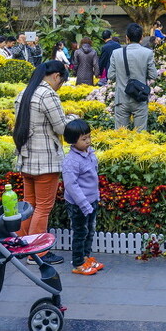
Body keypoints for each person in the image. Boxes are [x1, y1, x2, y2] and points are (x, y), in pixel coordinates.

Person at [13, 60, 69, 265]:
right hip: (45, 160)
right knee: (43, 207)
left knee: (30, 205)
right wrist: (73, 119)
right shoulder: (47, 94)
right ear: (56, 76)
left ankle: (21, 246)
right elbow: (62, 127)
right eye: (61, 82)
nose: (59, 86)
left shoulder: (24, 93)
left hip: (27, 159)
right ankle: (38, 253)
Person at [61, 118, 103, 275]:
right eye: (83, 139)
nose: (88, 141)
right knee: (80, 232)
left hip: (92, 200)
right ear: (72, 141)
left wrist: (95, 198)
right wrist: (84, 204)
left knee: (90, 231)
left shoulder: (90, 154)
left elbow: (93, 178)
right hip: (78, 204)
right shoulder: (71, 161)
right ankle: (78, 263)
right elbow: (71, 186)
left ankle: (86, 257)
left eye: (89, 137)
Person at [109, 23, 159, 131]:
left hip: (121, 98)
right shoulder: (148, 53)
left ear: (127, 38)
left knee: (120, 136)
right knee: (140, 136)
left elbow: (111, 75)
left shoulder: (116, 53)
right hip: (139, 98)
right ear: (141, 38)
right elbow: (153, 75)